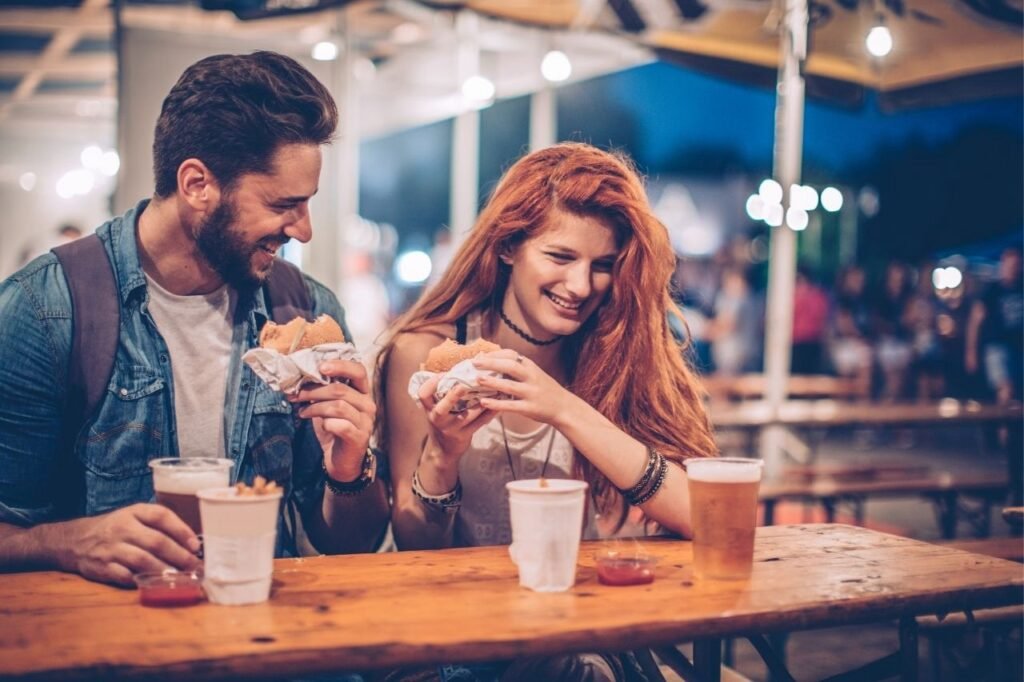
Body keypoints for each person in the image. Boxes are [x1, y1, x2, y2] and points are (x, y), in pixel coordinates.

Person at [0, 52, 389, 587]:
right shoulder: (46, 310)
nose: (304, 230)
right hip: (114, 649)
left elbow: (349, 544)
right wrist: (69, 541)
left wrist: (349, 470)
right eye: (284, 204)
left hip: (267, 638)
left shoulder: (306, 310)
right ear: (197, 184)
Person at [375, 143, 717, 680]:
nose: (581, 287)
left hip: (580, 631)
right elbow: (417, 543)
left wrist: (566, 408)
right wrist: (443, 452)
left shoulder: (616, 353)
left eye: (602, 266)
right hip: (458, 642)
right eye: (560, 258)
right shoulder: (425, 356)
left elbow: (707, 515)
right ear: (509, 246)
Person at [966, 246, 1023, 403]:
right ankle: (1003, 427)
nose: (1014, 269)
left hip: (1018, 346)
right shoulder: (992, 291)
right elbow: (975, 321)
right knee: (1005, 388)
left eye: (1017, 265)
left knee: (1017, 391)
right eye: (1010, 265)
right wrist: (971, 351)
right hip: (997, 347)